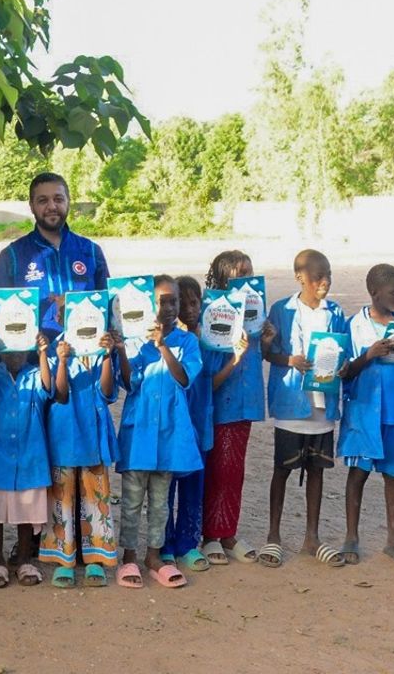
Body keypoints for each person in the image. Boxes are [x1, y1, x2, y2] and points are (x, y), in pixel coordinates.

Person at [259, 249, 349, 569]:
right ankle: (273, 535)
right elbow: (267, 353)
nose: (325, 282)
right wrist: (288, 360)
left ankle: (312, 537)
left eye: (329, 276)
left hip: (322, 408)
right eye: (318, 276)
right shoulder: (281, 310)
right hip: (291, 406)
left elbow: (344, 352)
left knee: (316, 471)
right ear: (301, 277)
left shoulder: (335, 312)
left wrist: (341, 367)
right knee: (282, 470)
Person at [338, 264, 394, 566]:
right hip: (365, 411)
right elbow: (345, 371)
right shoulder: (355, 325)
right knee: (358, 473)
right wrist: (369, 354)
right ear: (374, 293)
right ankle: (351, 536)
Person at [115, 276, 202, 589]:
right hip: (138, 437)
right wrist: (123, 350)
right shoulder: (136, 340)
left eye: (172, 301)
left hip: (168, 438)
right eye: (161, 300)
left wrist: (163, 345)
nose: (167, 307)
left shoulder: (188, 342)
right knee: (131, 501)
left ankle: (154, 556)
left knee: (160, 502)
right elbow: (128, 381)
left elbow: (182, 378)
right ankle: (128, 557)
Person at [199, 251, 270, 566]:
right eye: (240, 274)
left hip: (246, 399)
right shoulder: (212, 309)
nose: (247, 279)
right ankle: (210, 535)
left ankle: (227, 531)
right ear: (224, 278)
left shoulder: (257, 310)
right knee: (216, 468)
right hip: (218, 399)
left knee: (234, 470)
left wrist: (266, 337)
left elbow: (261, 353)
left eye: (250, 273)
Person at [0, 331, 53, 588]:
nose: (15, 356)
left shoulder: (35, 374)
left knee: (26, 509)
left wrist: (43, 354)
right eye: (9, 351)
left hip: (28, 453)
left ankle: (25, 559)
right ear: (2, 353)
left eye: (20, 351)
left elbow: (48, 389)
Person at [39, 332, 120, 588]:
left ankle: (95, 557)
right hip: (63, 432)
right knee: (62, 497)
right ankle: (65, 559)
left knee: (94, 495)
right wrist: (62, 361)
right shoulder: (54, 350)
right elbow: (59, 394)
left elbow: (108, 392)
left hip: (92, 432)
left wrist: (107, 356)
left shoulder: (99, 347)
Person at [0, 172, 110, 340]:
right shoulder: (12, 256)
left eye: (58, 199)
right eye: (43, 200)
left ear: (68, 202)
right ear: (31, 206)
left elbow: (108, 307)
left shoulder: (91, 251)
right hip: (34, 362)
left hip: (85, 360)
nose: (52, 206)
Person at [160, 275, 217, 574]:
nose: (189, 309)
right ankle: (165, 545)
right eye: (184, 303)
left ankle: (188, 543)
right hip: (171, 426)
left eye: (195, 303)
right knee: (165, 488)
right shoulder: (164, 341)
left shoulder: (202, 341)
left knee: (194, 484)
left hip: (199, 421)